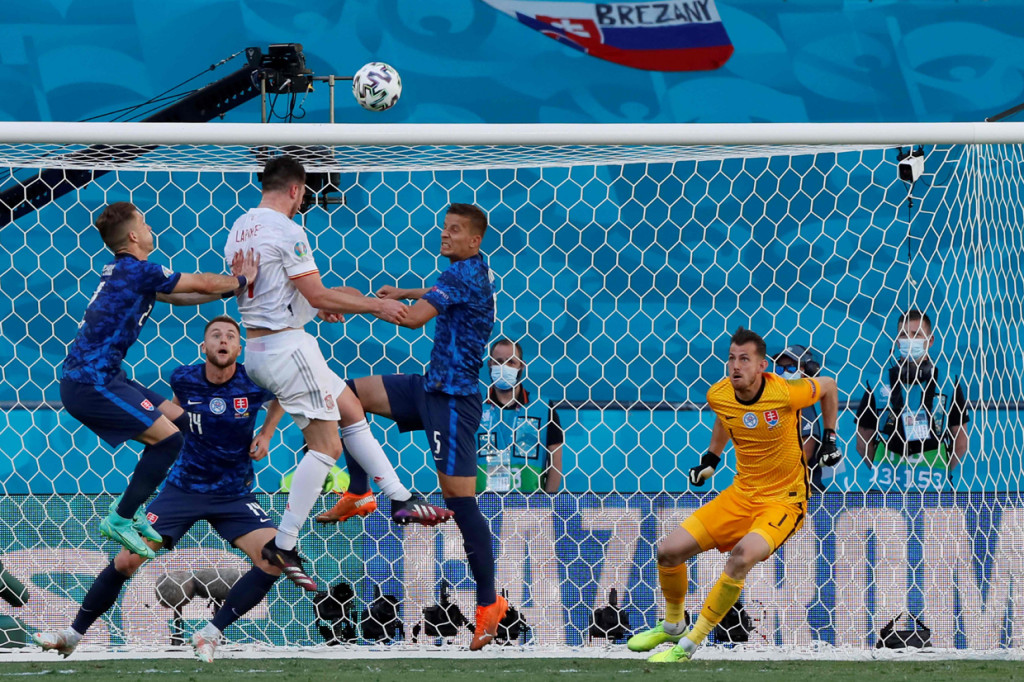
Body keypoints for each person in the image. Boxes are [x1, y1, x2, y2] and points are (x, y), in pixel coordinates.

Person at [224, 156, 451, 592]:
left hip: (262, 344)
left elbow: (283, 294)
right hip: (287, 347)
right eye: (304, 194)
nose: (303, 202)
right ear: (296, 189)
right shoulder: (287, 230)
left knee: (350, 405)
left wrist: (323, 304)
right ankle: (284, 543)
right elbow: (316, 293)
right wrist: (376, 305)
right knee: (326, 447)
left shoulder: (241, 226)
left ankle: (399, 497)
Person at [36, 316, 285, 663]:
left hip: (233, 493)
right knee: (126, 561)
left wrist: (268, 432)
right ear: (204, 346)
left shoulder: (254, 379)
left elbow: (286, 393)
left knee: (277, 558)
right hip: (182, 489)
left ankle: (211, 633)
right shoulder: (184, 377)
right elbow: (174, 415)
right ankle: (73, 634)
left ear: (239, 348)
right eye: (216, 335)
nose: (223, 340)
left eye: (231, 336)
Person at [315, 203, 506, 650]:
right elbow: (441, 292)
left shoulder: (462, 273)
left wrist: (364, 305)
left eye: (454, 230)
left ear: (474, 240)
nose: (445, 235)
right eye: (444, 228)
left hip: (454, 402)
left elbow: (413, 320)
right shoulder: (472, 270)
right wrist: (404, 290)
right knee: (348, 395)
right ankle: (359, 492)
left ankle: (488, 602)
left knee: (461, 503)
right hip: (430, 386)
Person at [627, 327, 840, 663]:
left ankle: (689, 645)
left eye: (744, 359)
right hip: (741, 495)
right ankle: (673, 625)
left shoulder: (785, 392)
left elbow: (828, 385)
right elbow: (727, 417)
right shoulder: (719, 394)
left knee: (740, 557)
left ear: (762, 366)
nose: (735, 366)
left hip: (784, 501)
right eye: (731, 358)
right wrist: (711, 459)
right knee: (668, 552)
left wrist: (829, 438)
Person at [59, 201, 259, 559]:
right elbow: (200, 282)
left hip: (107, 378)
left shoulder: (126, 272)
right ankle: (121, 517)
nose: (151, 228)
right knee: (169, 441)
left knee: (183, 423)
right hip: (91, 385)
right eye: (144, 223)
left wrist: (232, 290)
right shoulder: (137, 270)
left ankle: (136, 504)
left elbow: (180, 296)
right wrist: (244, 279)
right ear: (133, 236)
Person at [855, 309, 969, 491]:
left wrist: (883, 473)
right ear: (897, 341)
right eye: (903, 335)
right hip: (928, 487)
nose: (909, 340)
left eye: (916, 334)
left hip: (893, 489)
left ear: (930, 341)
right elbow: (862, 443)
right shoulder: (877, 384)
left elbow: (961, 444)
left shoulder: (949, 384)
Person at [474, 338, 564, 494]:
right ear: (489, 364)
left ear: (522, 365)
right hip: (484, 504)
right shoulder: (475, 408)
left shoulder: (543, 408)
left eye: (511, 362)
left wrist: (546, 502)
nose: (504, 367)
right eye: (498, 362)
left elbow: (556, 461)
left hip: (530, 504)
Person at [772, 344, 838, 492]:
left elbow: (803, 455)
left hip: (804, 492)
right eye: (780, 369)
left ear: (806, 371)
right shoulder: (776, 403)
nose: (784, 373)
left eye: (791, 368)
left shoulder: (805, 405)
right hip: (778, 490)